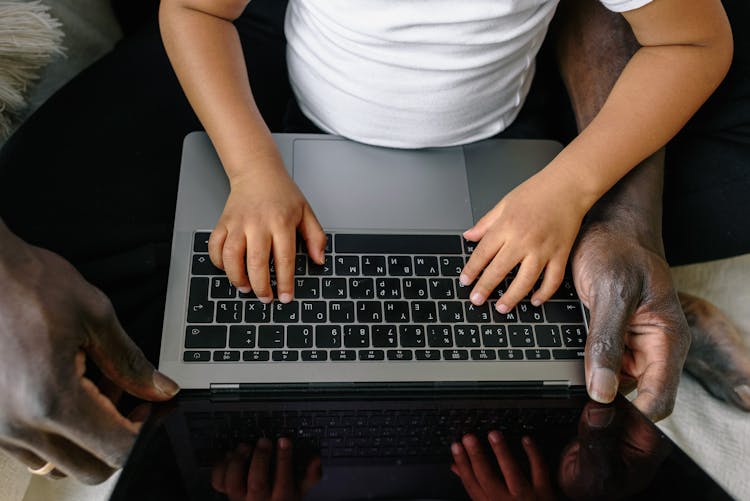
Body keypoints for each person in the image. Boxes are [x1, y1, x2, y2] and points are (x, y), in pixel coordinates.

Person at [0, 0, 748, 484]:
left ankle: (622, 288)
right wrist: (253, 169)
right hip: (294, 117)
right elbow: (193, 10)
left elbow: (692, 41)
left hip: (509, 150)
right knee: (66, 235)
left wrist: (571, 189)